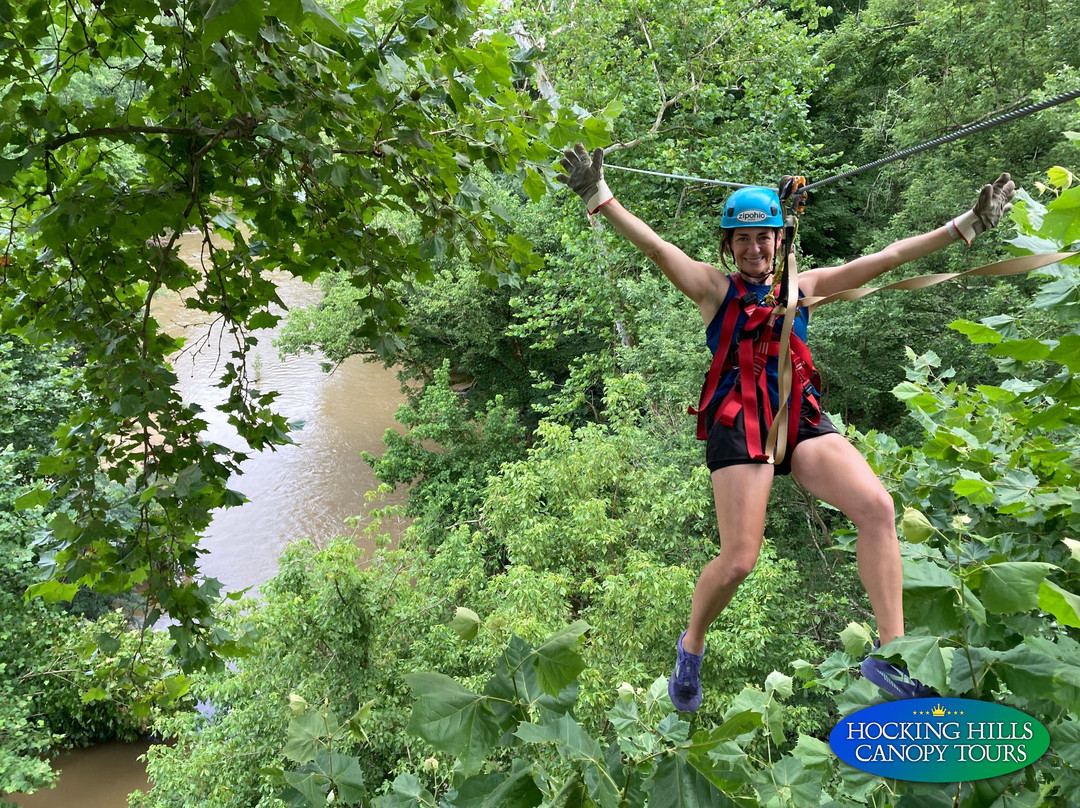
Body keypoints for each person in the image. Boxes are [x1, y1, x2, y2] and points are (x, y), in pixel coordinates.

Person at [556, 143, 1015, 712]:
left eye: (765, 236)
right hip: (739, 423)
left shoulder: (802, 288)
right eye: (743, 239)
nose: (755, 247)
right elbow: (655, 246)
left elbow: (890, 256)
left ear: (779, 241)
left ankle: (891, 656)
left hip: (796, 416)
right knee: (740, 560)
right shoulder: (712, 289)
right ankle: (692, 645)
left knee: (876, 507)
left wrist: (967, 224)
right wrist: (596, 194)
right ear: (729, 245)